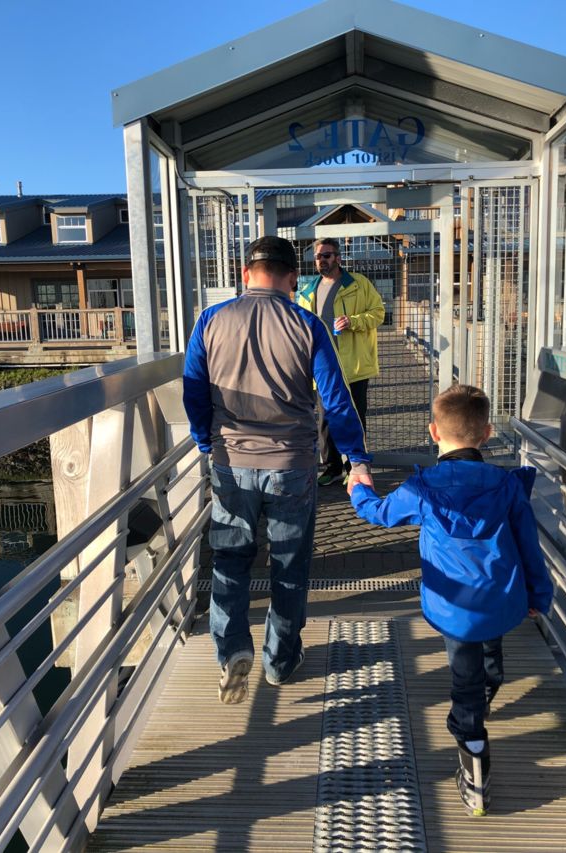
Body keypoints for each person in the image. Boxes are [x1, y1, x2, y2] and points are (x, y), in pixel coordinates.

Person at [183, 236, 373, 705]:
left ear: (245, 274)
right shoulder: (307, 324)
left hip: (231, 462)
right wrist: (357, 460)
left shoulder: (211, 320)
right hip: (292, 465)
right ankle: (279, 661)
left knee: (230, 559)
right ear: (292, 279)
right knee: (289, 564)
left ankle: (232, 650)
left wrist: (207, 442)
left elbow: (194, 392)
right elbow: (336, 400)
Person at [348, 384, 553, 816]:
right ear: (487, 433)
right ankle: (488, 692)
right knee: (490, 655)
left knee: (464, 677)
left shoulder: (422, 488)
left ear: (434, 432)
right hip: (501, 599)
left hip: (453, 607)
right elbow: (529, 548)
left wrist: (358, 490)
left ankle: (474, 757)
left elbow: (378, 513)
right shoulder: (506, 486)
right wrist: (539, 594)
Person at [297, 238, 385, 486]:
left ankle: (355, 468)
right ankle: (332, 467)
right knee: (325, 420)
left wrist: (353, 321)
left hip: (353, 366)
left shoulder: (358, 284)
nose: (321, 261)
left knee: (355, 418)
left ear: (338, 257)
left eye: (326, 255)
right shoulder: (307, 290)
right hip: (322, 368)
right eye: (317, 256)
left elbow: (378, 313)